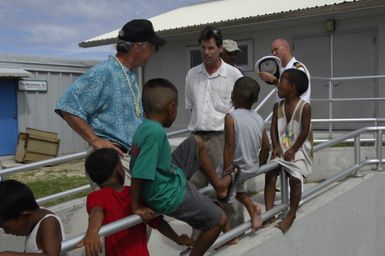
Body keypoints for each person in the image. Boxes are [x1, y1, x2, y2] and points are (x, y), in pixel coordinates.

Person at [130, 78, 241, 256]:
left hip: (167, 176)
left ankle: (219, 186)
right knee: (219, 220)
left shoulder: (145, 127)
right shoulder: (155, 133)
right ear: (171, 107)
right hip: (168, 194)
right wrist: (135, 206)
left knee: (196, 142)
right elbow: (139, 173)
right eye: (177, 108)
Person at [55, 19, 165, 185]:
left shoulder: (129, 74)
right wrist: (95, 140)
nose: (153, 51)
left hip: (129, 158)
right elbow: (68, 106)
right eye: (151, 46)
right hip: (111, 163)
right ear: (138, 47)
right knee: (118, 211)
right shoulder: (104, 72)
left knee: (133, 210)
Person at [185, 25, 244, 234]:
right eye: (203, 47)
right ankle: (200, 237)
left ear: (220, 49)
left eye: (211, 48)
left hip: (222, 140)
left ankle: (236, 234)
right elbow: (191, 107)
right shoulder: (192, 75)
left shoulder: (234, 75)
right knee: (194, 190)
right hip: (196, 138)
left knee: (226, 190)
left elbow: (240, 111)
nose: (206, 52)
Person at [80, 148, 192, 256]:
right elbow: (159, 222)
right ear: (119, 169)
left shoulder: (95, 196)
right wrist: (177, 238)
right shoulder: (135, 195)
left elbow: (96, 211)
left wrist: (93, 231)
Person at [218, 76, 270, 233]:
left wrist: (226, 174)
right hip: (250, 167)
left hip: (234, 170)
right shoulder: (258, 118)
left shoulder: (231, 117)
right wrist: (258, 165)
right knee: (238, 190)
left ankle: (228, 234)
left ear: (233, 95)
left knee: (214, 195)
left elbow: (229, 147)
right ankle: (252, 209)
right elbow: (266, 146)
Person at [264, 69, 313, 233]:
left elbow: (305, 131)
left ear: (293, 87)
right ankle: (269, 213)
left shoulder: (304, 107)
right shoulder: (277, 106)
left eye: (283, 80)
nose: (279, 83)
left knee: (295, 180)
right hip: (282, 147)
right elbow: (272, 128)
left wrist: (293, 148)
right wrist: (276, 146)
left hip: (298, 148)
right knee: (270, 173)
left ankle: (291, 214)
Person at [0, 180, 65, 255]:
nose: (6, 232)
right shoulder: (32, 221)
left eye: (7, 227)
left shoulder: (49, 222)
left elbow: (51, 254)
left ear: (25, 216)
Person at [258, 38, 311, 103]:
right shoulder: (281, 69)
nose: (274, 53)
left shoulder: (297, 67)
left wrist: (274, 80)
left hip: (296, 110)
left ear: (286, 47)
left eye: (276, 49)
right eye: (272, 51)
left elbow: (294, 91)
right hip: (284, 110)